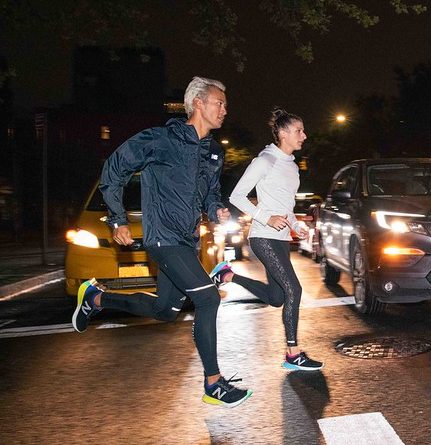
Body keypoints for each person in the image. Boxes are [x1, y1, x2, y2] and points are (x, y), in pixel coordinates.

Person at [71, 76, 253, 408]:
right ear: (198, 103)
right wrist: (117, 218)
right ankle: (213, 383)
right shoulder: (161, 140)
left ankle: (96, 298)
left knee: (165, 310)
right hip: (162, 237)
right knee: (208, 299)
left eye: (225, 105)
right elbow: (114, 167)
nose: (225, 110)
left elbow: (210, 194)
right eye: (219, 103)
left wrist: (216, 209)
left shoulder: (213, 152)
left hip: (187, 239)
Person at [212, 106, 323, 371]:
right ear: (283, 134)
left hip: (281, 238)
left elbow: (286, 206)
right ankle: (293, 354)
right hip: (263, 236)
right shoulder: (264, 161)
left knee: (276, 297)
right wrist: (266, 218)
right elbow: (237, 196)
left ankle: (227, 275)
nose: (304, 135)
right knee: (294, 289)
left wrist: (295, 225)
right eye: (298, 131)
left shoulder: (292, 166)